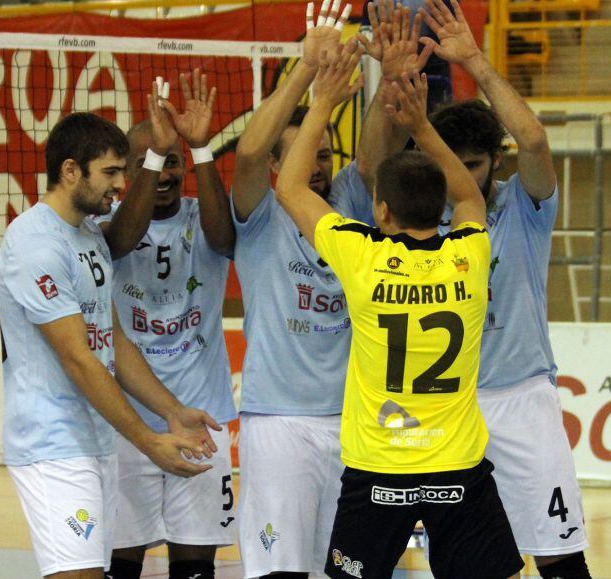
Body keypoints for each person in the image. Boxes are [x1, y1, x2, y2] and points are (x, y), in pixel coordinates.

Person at [340, 1, 591, 577]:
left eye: (474, 165)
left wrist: (474, 61)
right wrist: (392, 79)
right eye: (452, 163)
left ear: (493, 162)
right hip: (439, 415)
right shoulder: (418, 216)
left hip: (520, 397)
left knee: (560, 554)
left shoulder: (523, 209)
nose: (463, 179)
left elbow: (533, 139)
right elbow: (368, 167)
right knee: (455, 567)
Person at [275, 35, 524, 577]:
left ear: (381, 211)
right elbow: (471, 199)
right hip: (457, 463)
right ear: (440, 211)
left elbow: (291, 187)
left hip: (377, 466)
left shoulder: (361, 254)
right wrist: (420, 125)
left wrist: (322, 103)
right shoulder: (469, 252)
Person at [0, 111, 221, 579]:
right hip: (53, 444)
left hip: (93, 442)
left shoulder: (88, 236)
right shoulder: (35, 243)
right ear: (70, 170)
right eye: (111, 173)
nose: (121, 185)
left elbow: (111, 342)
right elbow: (80, 359)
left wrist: (172, 410)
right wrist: (147, 440)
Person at [229, 3, 362, 577]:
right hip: (278, 424)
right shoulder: (263, 215)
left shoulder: (351, 206)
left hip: (353, 424)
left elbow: (377, 149)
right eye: (309, 155)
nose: (319, 165)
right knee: (281, 570)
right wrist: (306, 73)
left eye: (327, 153)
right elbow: (251, 153)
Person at [100, 70, 237, 579]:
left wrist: (199, 149)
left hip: (203, 418)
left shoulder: (205, 217)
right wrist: (155, 156)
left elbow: (225, 240)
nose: (162, 173)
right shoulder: (103, 228)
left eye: (171, 162)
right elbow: (121, 241)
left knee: (195, 566)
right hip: (126, 422)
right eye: (148, 162)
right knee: (119, 565)